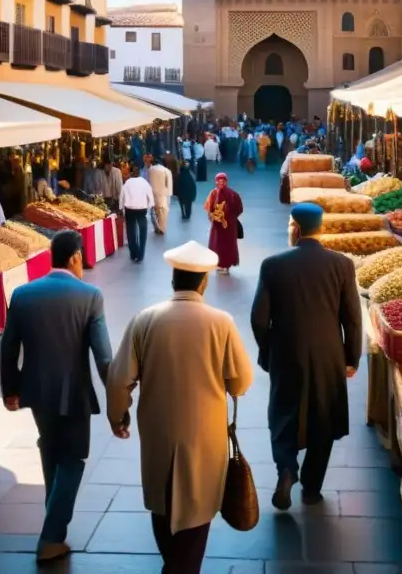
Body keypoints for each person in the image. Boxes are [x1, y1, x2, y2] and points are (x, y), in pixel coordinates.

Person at [107, 241, 253, 573]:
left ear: (173, 280)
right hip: (205, 437)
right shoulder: (221, 323)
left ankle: (173, 564)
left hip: (158, 433)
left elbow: (118, 379)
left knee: (161, 500)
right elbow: (241, 382)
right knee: (198, 506)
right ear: (204, 282)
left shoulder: (145, 320)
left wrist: (119, 416)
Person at [1, 230, 116, 563]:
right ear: (76, 257)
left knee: (50, 450)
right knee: (73, 459)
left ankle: (54, 524)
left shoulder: (23, 294)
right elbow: (104, 358)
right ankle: (51, 536)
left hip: (35, 393)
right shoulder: (90, 296)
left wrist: (11, 390)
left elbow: (9, 349)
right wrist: (118, 403)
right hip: (75, 393)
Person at [251, 203, 362, 510]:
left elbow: (259, 319)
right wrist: (350, 357)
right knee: (323, 416)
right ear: (320, 228)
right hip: (328, 356)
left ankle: (286, 468)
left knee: (283, 413)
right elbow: (352, 318)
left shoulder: (272, 265)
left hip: (287, 353)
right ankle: (312, 488)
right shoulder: (341, 265)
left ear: (295, 229)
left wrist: (269, 351)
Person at [204, 173, 243, 274]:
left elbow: (208, 209)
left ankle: (223, 265)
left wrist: (213, 217)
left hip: (220, 226)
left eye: (222, 181)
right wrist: (232, 218)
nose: (220, 183)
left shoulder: (213, 193)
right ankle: (223, 265)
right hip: (228, 226)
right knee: (226, 245)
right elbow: (239, 209)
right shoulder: (233, 194)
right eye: (219, 181)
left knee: (220, 244)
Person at [121, 167, 155, 263]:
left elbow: (122, 197)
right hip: (142, 210)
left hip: (129, 210)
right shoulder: (144, 183)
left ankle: (133, 253)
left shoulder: (127, 183)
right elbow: (150, 197)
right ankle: (141, 254)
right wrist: (148, 207)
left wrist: (121, 208)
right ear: (139, 173)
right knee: (143, 232)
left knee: (131, 232)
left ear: (131, 173)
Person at [148, 154, 174, 236]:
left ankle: (156, 227)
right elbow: (169, 185)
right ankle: (162, 228)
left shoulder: (151, 170)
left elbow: (148, 180)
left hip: (152, 193)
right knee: (163, 211)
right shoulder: (167, 171)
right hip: (163, 194)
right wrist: (169, 194)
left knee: (153, 211)